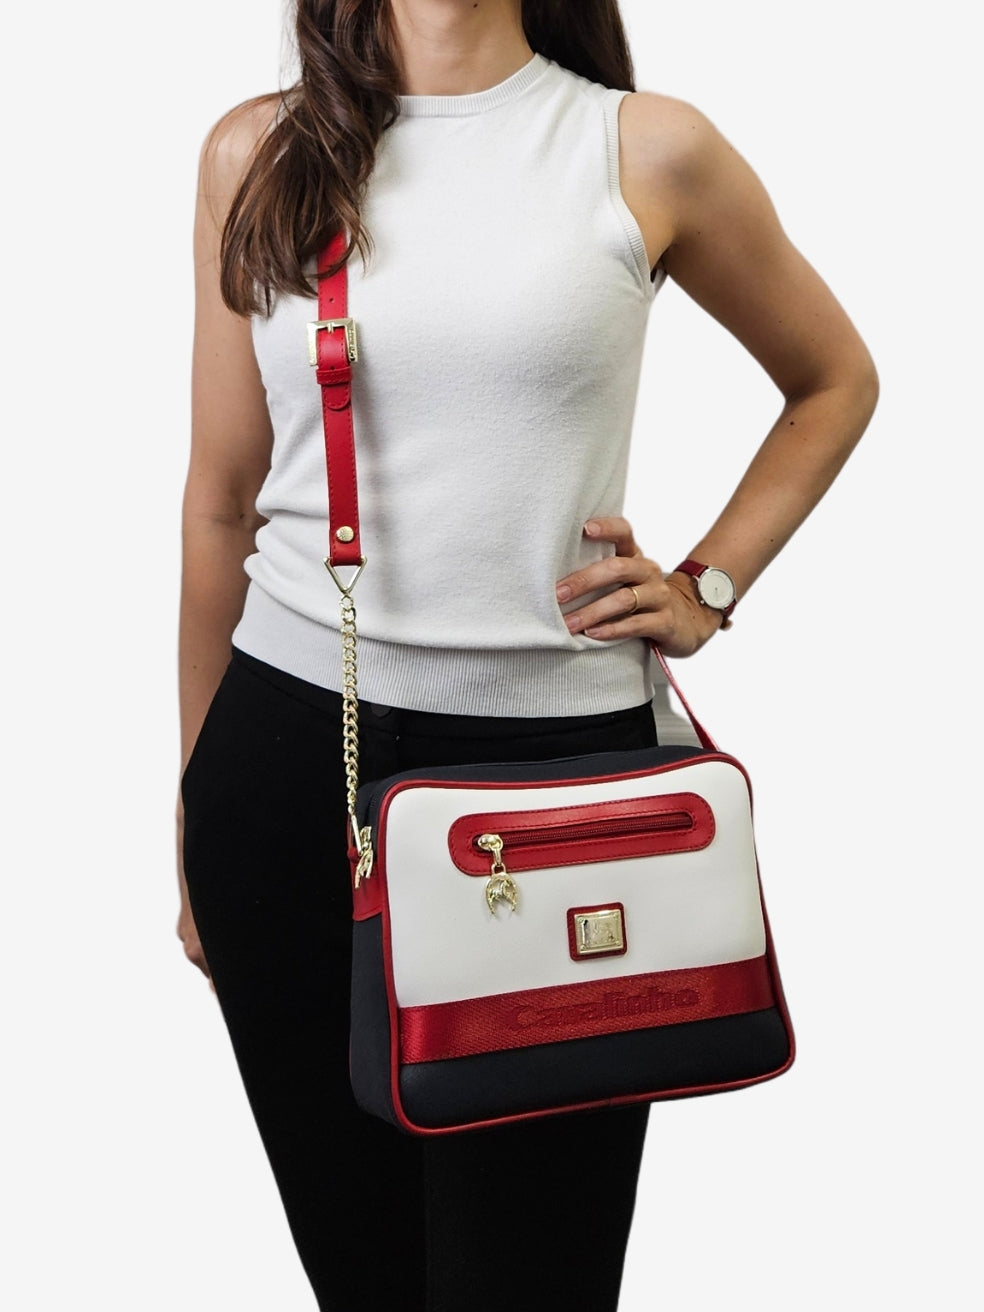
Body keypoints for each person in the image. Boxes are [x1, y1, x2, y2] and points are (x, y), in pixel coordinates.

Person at [177, 2, 878, 1308]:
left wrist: (708, 587)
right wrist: (189, 810)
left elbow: (834, 378)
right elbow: (221, 502)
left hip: (556, 788)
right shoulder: (257, 153)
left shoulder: (645, 148)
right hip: (285, 772)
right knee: (364, 1282)